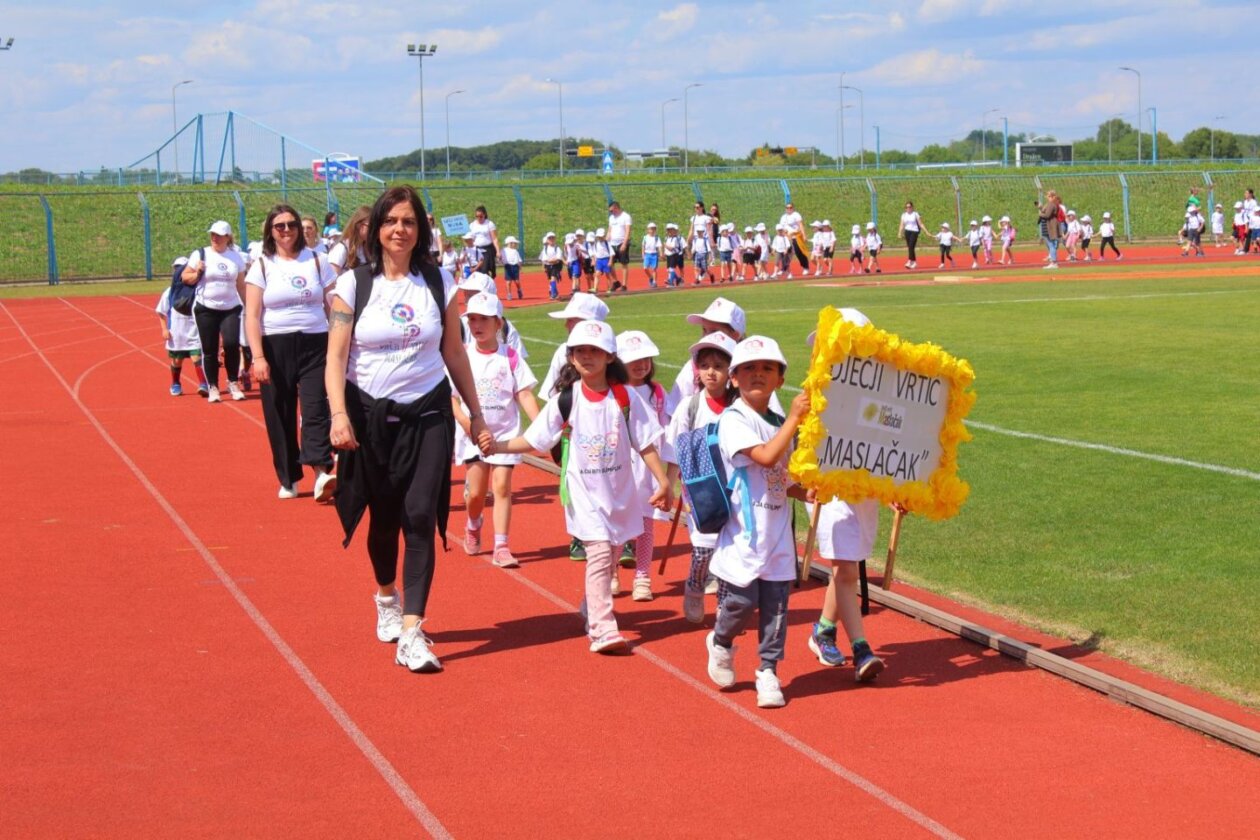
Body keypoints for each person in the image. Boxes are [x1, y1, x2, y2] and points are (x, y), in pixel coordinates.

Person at [326, 185, 492, 674]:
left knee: (421, 516)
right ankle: (385, 596)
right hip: (369, 420)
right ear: (377, 228)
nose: (400, 230)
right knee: (383, 522)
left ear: (421, 231)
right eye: (391, 221)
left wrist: (475, 414)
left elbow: (455, 353)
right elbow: (336, 357)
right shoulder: (353, 286)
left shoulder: (439, 281)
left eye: (410, 222)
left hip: (429, 416)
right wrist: (338, 414)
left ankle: (413, 632)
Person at [494, 320, 672, 653]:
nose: (587, 357)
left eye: (595, 351)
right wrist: (498, 447)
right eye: (580, 351)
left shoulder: (625, 397)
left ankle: (592, 604)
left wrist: (663, 481)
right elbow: (534, 439)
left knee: (615, 548)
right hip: (583, 493)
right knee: (601, 552)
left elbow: (646, 442)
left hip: (620, 492)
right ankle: (603, 629)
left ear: (609, 356)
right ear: (571, 358)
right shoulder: (567, 399)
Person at [705, 336, 812, 708]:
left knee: (777, 608)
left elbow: (784, 477)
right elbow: (766, 457)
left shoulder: (781, 422)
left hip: (779, 533)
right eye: (749, 368)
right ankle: (720, 641)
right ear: (734, 378)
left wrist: (808, 492)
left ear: (780, 380)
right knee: (739, 602)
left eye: (768, 369)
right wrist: (797, 419)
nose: (757, 374)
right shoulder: (733, 419)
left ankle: (768, 670)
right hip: (743, 535)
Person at [803, 310, 886, 683]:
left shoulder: (882, 395)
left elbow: (891, 447)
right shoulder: (816, 392)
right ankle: (862, 649)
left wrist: (899, 487)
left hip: (864, 493)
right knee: (845, 568)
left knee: (846, 566)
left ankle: (822, 630)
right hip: (830, 491)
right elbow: (805, 444)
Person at [244, 203, 339, 501]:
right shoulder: (262, 265)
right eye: (279, 226)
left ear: (300, 228)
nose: (286, 231)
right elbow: (252, 315)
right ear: (270, 231)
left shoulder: (317, 261)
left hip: (315, 342)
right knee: (280, 413)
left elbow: (333, 305)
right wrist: (258, 357)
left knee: (316, 408)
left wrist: (341, 340)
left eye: (291, 225)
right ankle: (288, 476)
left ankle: (322, 471)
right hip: (275, 346)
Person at [454, 292, 541, 569]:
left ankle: (502, 545)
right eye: (472, 319)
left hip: (505, 434)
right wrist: (469, 427)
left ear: (499, 323)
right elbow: (452, 399)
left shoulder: (511, 357)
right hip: (473, 437)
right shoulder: (462, 357)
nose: (477, 325)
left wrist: (541, 427)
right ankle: (473, 522)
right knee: (476, 495)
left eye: (484, 320)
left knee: (502, 487)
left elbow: (524, 394)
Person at [663, 331, 738, 623]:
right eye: (705, 365)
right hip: (701, 489)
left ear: (731, 371)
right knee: (704, 547)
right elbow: (673, 449)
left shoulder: (739, 406)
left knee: (728, 551)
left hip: (734, 488)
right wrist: (667, 486)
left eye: (718, 366)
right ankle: (695, 586)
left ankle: (723, 607)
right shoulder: (690, 406)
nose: (711, 372)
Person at [615, 330, 670, 601]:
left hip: (647, 467)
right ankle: (612, 571)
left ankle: (642, 575)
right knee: (617, 522)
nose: (641, 364)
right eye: (633, 359)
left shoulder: (657, 392)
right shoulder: (614, 391)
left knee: (646, 523)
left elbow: (667, 423)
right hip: (620, 466)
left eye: (646, 358)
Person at [182, 220, 248, 403]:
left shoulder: (236, 257)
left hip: (230, 307)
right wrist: (197, 273)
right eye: (212, 234)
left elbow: (241, 285)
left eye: (219, 235)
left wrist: (249, 306)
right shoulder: (201, 254)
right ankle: (213, 386)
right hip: (206, 308)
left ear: (227, 237)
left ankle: (233, 382)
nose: (215, 238)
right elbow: (184, 276)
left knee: (231, 344)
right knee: (209, 348)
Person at [156, 257, 208, 397]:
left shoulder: (197, 289)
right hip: (177, 332)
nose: (178, 271)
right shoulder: (169, 292)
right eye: (176, 268)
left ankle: (203, 384)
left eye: (181, 268)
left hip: (193, 330)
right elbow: (161, 311)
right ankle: (176, 383)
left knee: (196, 357)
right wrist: (164, 329)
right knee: (177, 361)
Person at [328, 206, 371, 273]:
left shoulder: (364, 248)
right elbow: (331, 281)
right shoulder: (341, 249)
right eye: (371, 226)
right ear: (358, 225)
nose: (374, 230)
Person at [607, 201, 633, 292]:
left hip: (621, 242)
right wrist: (607, 238)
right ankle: (615, 281)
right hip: (612, 243)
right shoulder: (611, 218)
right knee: (609, 264)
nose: (611, 212)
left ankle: (624, 285)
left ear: (616, 208)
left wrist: (624, 244)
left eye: (612, 210)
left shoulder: (626, 217)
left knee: (623, 264)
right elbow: (609, 230)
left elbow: (628, 231)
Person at [468, 205, 500, 279]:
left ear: (484, 215)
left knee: (485, 270)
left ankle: (487, 286)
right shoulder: (472, 225)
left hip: (487, 250)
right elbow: (470, 239)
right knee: (478, 270)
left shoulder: (489, 224)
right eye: (477, 216)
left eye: (481, 216)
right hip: (476, 250)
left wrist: (498, 251)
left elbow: (494, 239)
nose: (479, 218)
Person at [777, 201, 809, 271]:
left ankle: (805, 266)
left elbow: (800, 225)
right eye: (787, 208)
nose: (789, 209)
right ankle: (784, 268)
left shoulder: (796, 215)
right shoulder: (783, 217)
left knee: (799, 252)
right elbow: (781, 227)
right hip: (787, 237)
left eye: (790, 207)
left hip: (796, 236)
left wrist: (804, 235)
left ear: (793, 208)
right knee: (785, 252)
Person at [1036, 189, 1063, 269]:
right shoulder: (1052, 204)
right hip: (1048, 225)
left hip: (1050, 225)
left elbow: (1047, 215)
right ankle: (1053, 261)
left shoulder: (1051, 204)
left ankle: (1054, 262)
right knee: (1050, 244)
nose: (1047, 197)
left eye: (1049, 196)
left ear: (1052, 196)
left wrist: (1041, 214)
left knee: (1051, 244)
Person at [897, 201, 924, 269]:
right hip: (907, 232)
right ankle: (913, 262)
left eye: (909, 207)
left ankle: (910, 261)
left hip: (914, 231)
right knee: (910, 248)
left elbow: (920, 223)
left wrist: (926, 231)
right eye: (906, 207)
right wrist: (900, 232)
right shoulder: (904, 215)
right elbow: (902, 224)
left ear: (912, 207)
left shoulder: (915, 214)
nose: (908, 208)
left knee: (911, 246)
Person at [539, 231, 564, 300]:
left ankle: (553, 294)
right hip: (548, 266)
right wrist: (545, 265)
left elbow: (558, 259)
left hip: (556, 266)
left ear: (555, 239)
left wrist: (552, 260)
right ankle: (556, 293)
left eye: (553, 238)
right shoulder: (545, 249)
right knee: (551, 280)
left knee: (553, 278)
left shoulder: (557, 248)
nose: (551, 240)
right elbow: (544, 259)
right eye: (550, 238)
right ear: (547, 240)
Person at [689, 219, 714, 285]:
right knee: (696, 268)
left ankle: (711, 275)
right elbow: (694, 247)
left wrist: (710, 256)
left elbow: (708, 249)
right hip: (697, 254)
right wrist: (691, 253)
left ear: (703, 232)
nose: (699, 233)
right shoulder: (695, 239)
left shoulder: (705, 240)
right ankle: (697, 279)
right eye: (698, 232)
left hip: (703, 255)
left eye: (701, 232)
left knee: (705, 269)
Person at [501, 235, 524, 300]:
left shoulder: (515, 251)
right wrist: (501, 261)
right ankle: (509, 294)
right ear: (510, 243)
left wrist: (520, 267)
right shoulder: (503, 250)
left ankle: (519, 290)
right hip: (507, 266)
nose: (515, 244)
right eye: (514, 243)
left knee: (517, 281)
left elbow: (519, 260)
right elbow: (501, 258)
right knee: (508, 281)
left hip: (515, 267)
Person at [591, 228, 613, 294]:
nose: (600, 238)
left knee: (607, 274)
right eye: (599, 237)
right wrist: (594, 260)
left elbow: (612, 253)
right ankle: (595, 288)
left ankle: (609, 288)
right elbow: (594, 253)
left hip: (606, 259)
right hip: (599, 260)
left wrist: (610, 261)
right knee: (597, 274)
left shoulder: (607, 243)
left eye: (601, 237)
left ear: (604, 236)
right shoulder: (596, 244)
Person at [664, 223, 686, 287]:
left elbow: (671, 248)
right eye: (668, 230)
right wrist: (664, 253)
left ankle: (671, 282)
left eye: (671, 230)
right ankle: (678, 279)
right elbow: (666, 249)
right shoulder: (667, 238)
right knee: (669, 269)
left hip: (674, 255)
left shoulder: (675, 238)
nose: (669, 232)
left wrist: (665, 245)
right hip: (669, 255)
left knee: (673, 269)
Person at [641, 222, 662, 288]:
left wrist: (661, 253)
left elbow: (659, 246)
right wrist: (643, 254)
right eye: (651, 229)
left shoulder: (657, 238)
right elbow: (643, 246)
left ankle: (654, 282)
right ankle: (651, 277)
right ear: (648, 230)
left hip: (654, 255)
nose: (652, 230)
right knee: (645, 268)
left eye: (654, 229)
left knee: (654, 269)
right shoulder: (645, 237)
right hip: (647, 254)